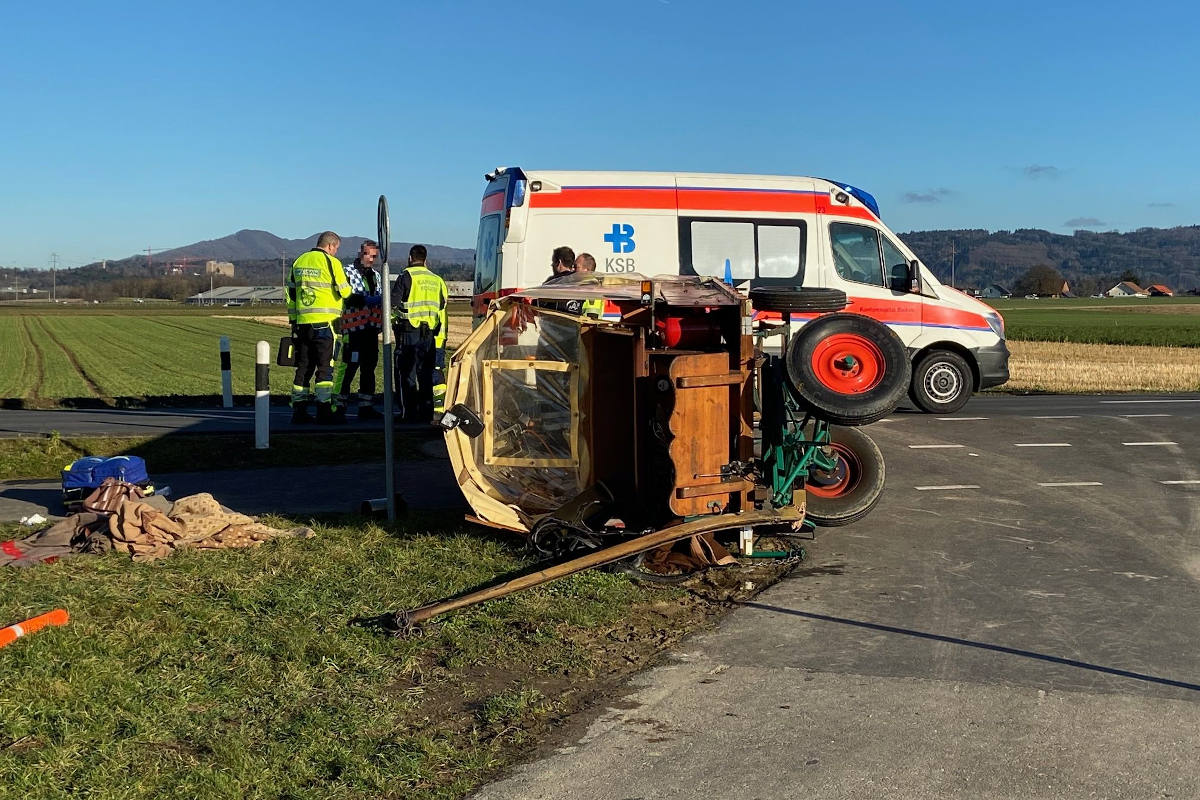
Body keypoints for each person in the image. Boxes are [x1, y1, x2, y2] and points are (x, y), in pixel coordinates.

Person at [286, 231, 351, 424]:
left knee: (304, 367)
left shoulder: (299, 261)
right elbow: (345, 291)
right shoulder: (331, 263)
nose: (336, 252)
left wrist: (293, 320)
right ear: (330, 246)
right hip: (325, 324)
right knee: (325, 369)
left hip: (302, 323)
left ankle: (299, 411)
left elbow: (290, 293)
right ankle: (324, 411)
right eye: (336, 249)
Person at [392, 244, 448, 424]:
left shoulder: (405, 276)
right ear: (426, 260)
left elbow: (392, 303)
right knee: (425, 375)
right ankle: (427, 413)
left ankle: (408, 414)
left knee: (406, 374)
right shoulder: (437, 279)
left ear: (410, 258)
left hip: (409, 332)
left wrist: (395, 323)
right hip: (429, 335)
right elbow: (441, 305)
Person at [332, 240, 384, 421]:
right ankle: (338, 407)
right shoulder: (347, 272)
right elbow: (345, 297)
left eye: (374, 256)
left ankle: (366, 407)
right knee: (348, 368)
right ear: (360, 253)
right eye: (368, 254)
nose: (370, 259)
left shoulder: (377, 276)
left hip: (370, 330)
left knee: (369, 369)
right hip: (353, 330)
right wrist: (365, 301)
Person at [573, 252, 603, 318]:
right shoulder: (586, 285)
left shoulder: (591, 287)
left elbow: (591, 315)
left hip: (586, 325)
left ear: (586, 270)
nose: (573, 270)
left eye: (576, 267)